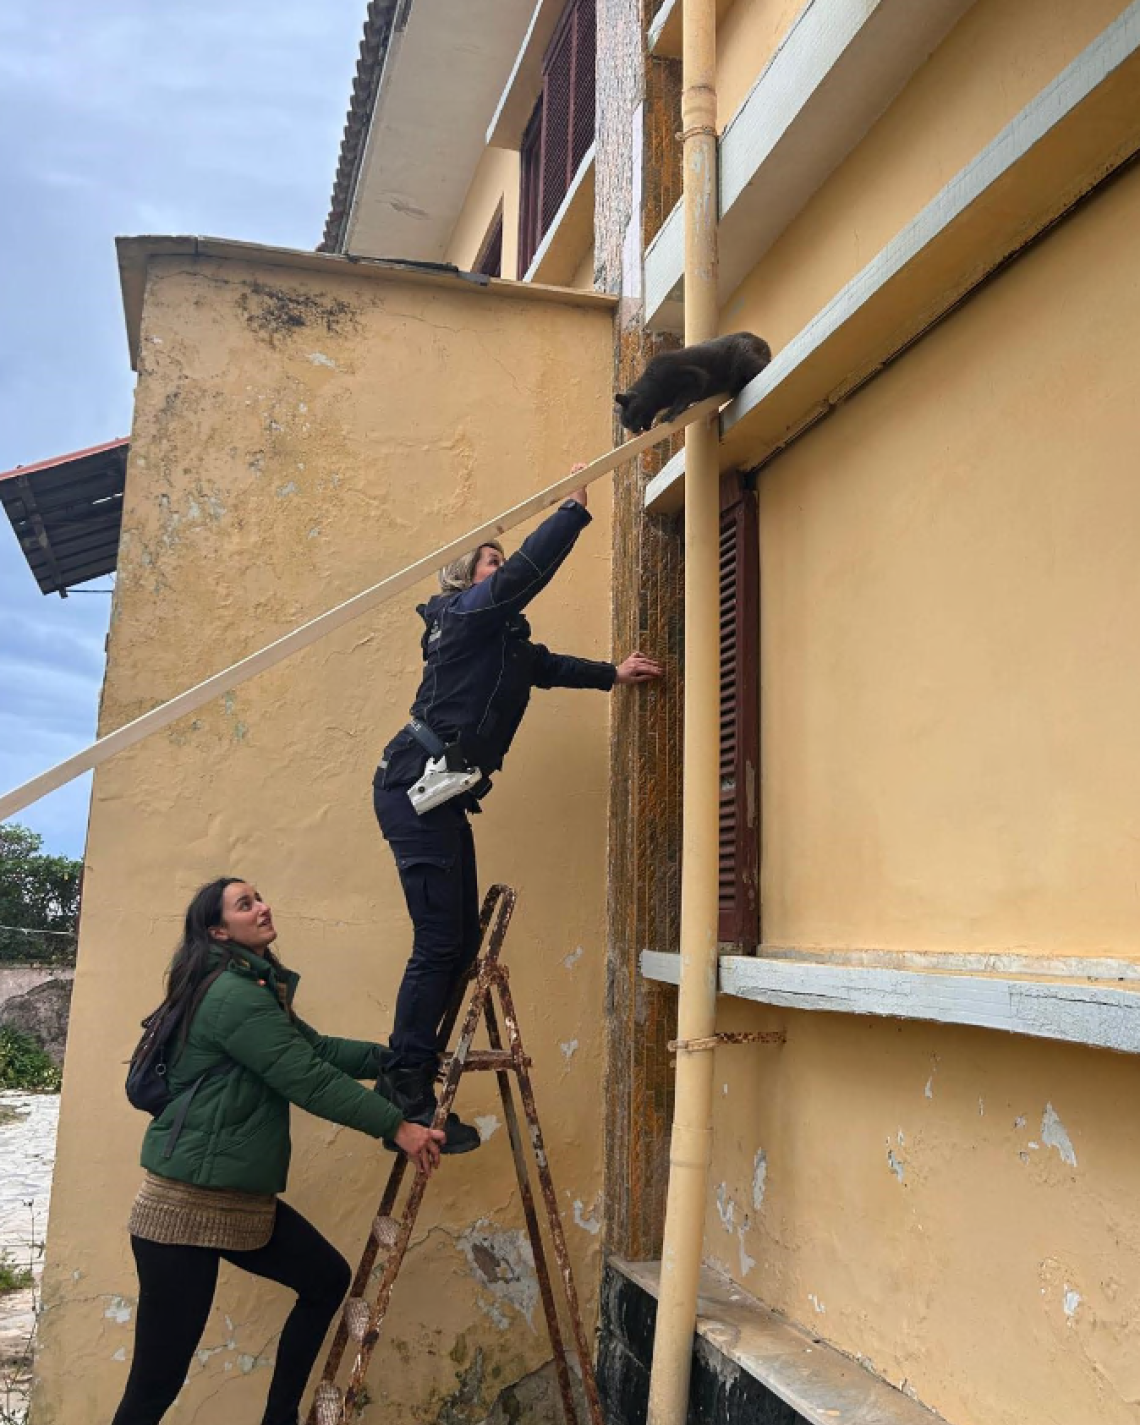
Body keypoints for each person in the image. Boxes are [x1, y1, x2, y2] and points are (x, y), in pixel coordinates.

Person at [373, 473, 663, 1153]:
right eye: (489, 558)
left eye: (500, 558)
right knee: (439, 943)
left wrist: (613, 673)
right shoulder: (461, 616)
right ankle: (403, 1084)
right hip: (414, 785)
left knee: (457, 945)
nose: (499, 567)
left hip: (439, 795)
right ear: (464, 579)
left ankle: (414, 1083)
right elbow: (520, 580)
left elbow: (548, 665)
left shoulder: (501, 640)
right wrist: (571, 513)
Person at [111, 877, 444, 1425]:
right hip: (181, 1212)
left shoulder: (252, 986)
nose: (263, 907)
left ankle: (279, 1417)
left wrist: (400, 1061)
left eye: (259, 897)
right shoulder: (232, 995)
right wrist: (399, 1127)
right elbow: (307, 1078)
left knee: (325, 1280)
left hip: (234, 1200)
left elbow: (315, 1049)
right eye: (246, 904)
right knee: (155, 1386)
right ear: (219, 930)